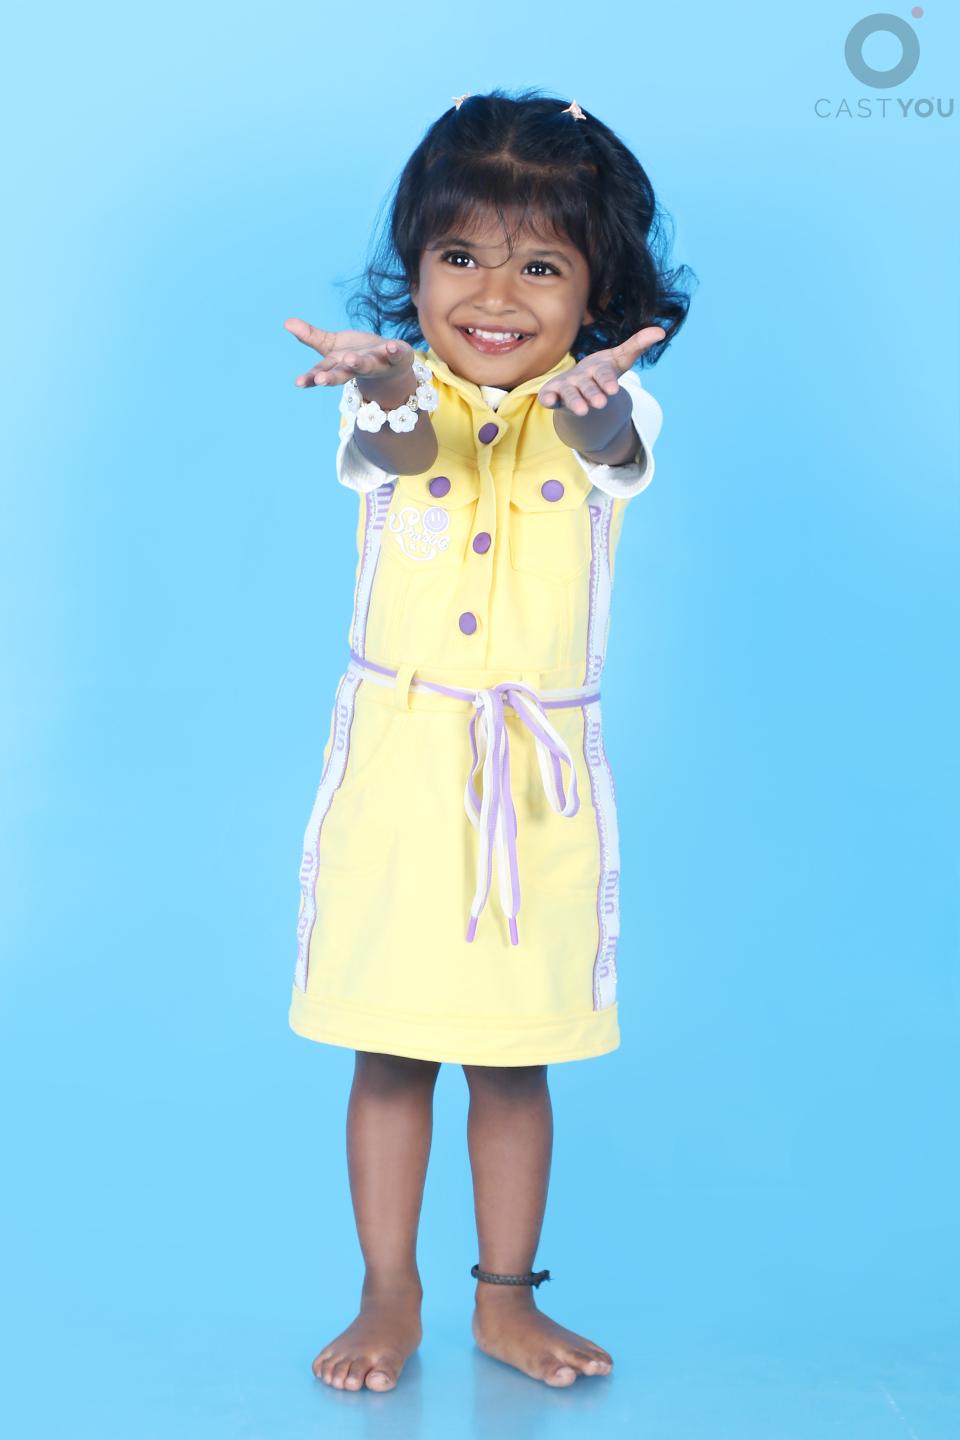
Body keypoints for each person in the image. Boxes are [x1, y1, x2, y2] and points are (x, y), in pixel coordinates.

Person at [283, 87, 694, 1394]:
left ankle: (506, 1300)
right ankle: (387, 1290)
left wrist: (593, 398)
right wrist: (385, 383)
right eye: (460, 255)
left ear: (599, 291)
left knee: (515, 1060)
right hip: (403, 764)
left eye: (541, 266)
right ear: (414, 270)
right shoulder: (390, 399)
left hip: (537, 783)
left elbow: (602, 438)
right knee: (393, 1043)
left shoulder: (616, 414)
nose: (494, 295)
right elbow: (402, 449)